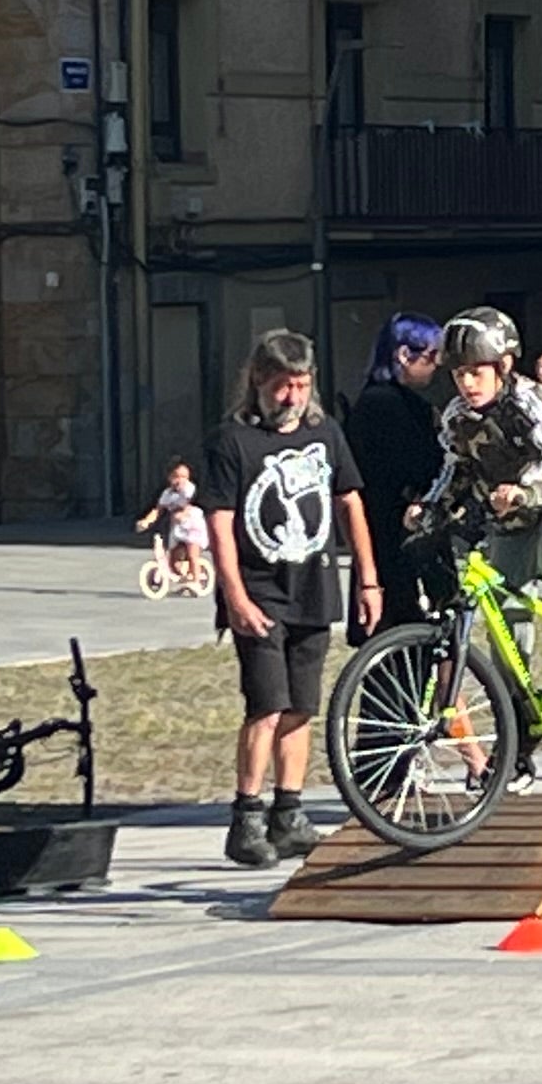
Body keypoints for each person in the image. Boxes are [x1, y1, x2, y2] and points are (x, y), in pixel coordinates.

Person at [207, 330, 382, 866]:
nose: (292, 397)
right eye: (283, 385)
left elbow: (350, 502)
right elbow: (220, 523)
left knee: (302, 707)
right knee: (266, 705)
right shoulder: (231, 441)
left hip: (312, 588)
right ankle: (247, 817)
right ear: (259, 380)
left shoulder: (324, 433)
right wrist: (234, 595)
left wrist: (368, 579)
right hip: (260, 592)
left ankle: (290, 812)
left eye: (302, 385)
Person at [421, 309, 542, 686]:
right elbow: (457, 469)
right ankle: (516, 708)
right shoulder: (457, 418)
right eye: (459, 374)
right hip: (509, 519)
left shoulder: (528, 398)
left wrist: (526, 490)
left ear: (503, 366)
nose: (467, 383)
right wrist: (430, 506)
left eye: (477, 372)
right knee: (506, 611)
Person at [346, 317, 450, 626]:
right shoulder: (388, 406)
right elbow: (419, 464)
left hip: (385, 529)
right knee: (415, 624)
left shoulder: (373, 400)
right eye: (431, 356)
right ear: (404, 355)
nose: (436, 365)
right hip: (398, 530)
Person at [132, 463, 212, 596]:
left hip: (193, 525)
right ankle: (184, 577)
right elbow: (158, 510)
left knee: (192, 553)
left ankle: (196, 581)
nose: (180, 480)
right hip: (178, 528)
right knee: (174, 558)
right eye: (176, 476)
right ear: (169, 477)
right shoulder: (167, 494)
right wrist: (146, 521)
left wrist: (184, 512)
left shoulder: (189, 489)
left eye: (184, 477)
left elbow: (192, 501)